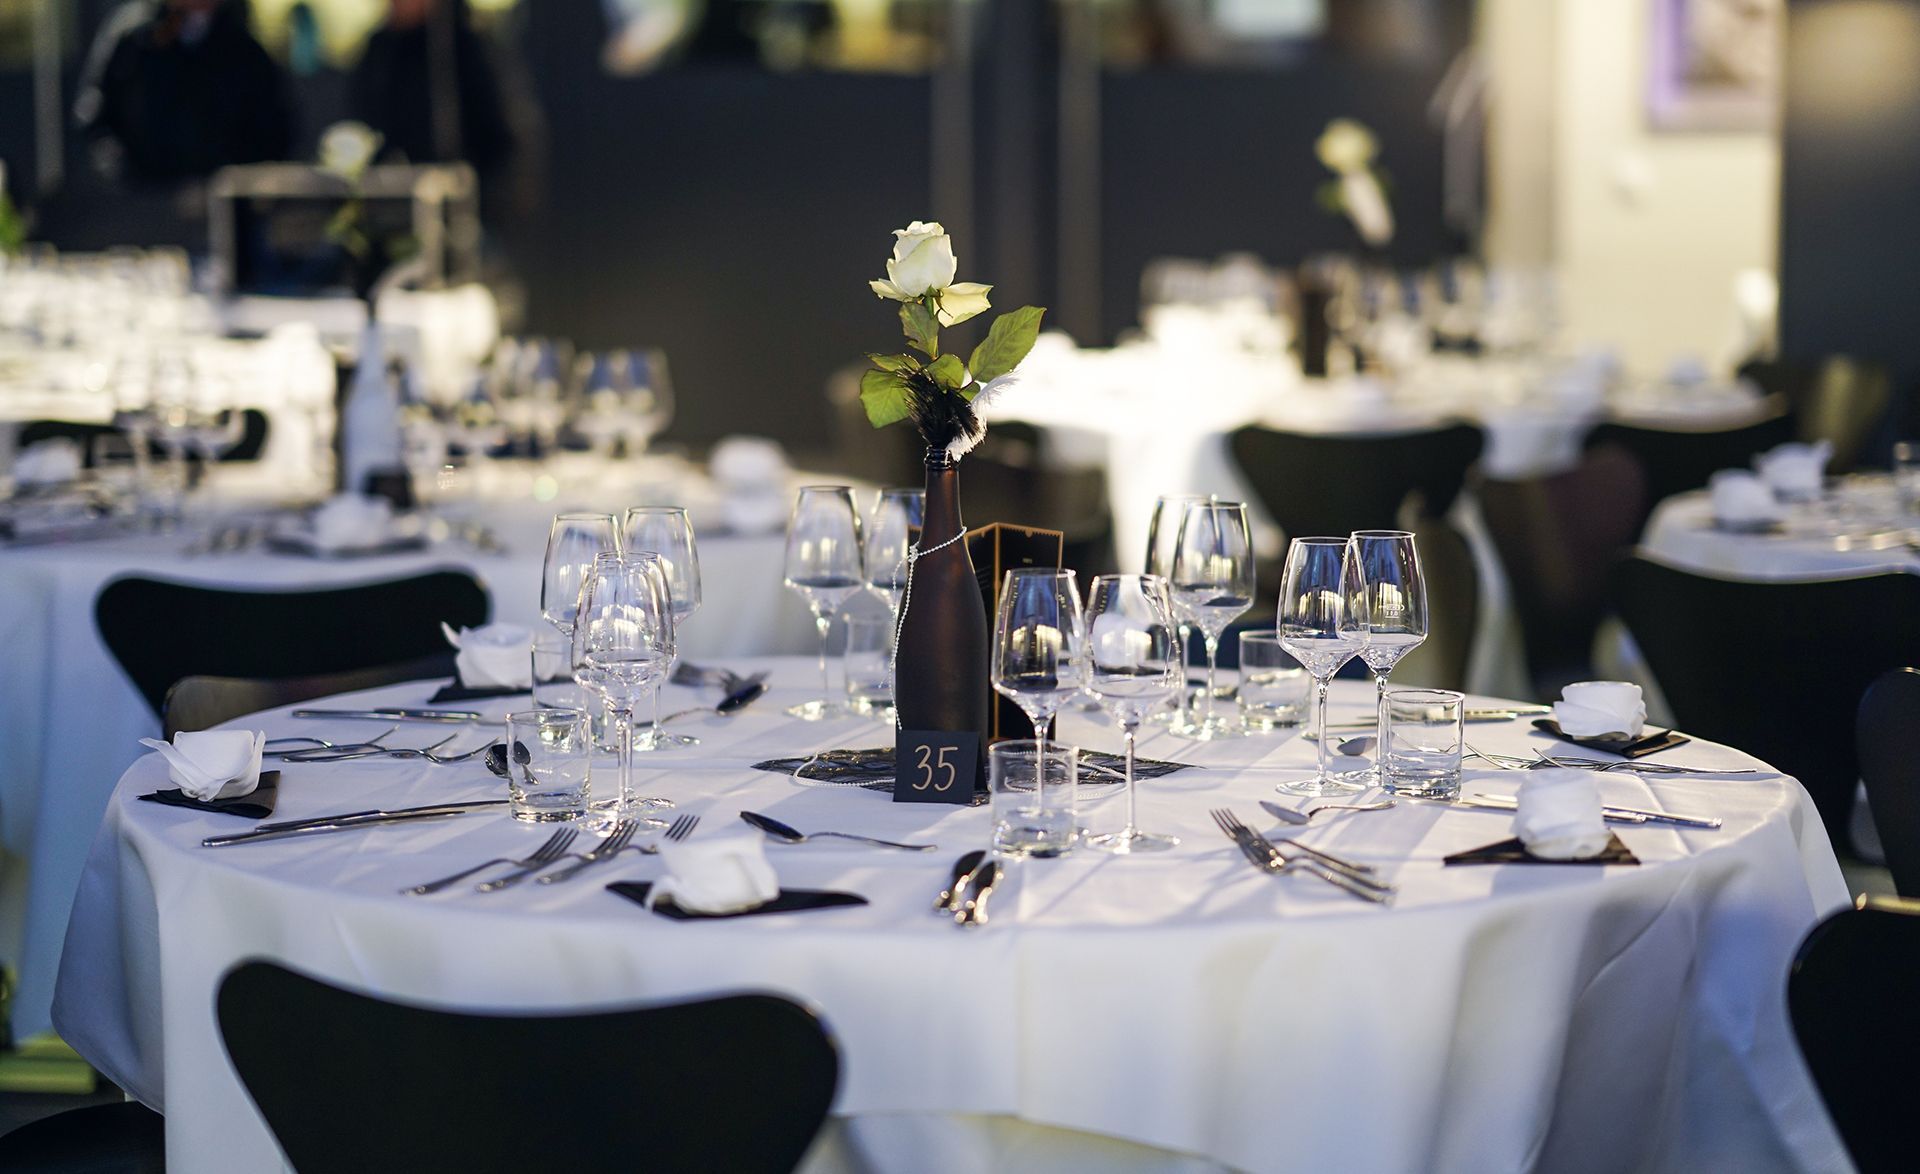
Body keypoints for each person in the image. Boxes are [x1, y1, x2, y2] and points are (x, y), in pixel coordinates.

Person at [75, 0, 293, 187]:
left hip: (220, 198)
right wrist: (121, 167)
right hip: (140, 199)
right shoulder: (134, 35)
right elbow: (94, 111)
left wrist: (242, 178)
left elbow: (274, 125)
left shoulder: (241, 46)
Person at [349, 0, 515, 180]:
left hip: (462, 194)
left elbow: (504, 142)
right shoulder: (379, 49)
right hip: (392, 192)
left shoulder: (466, 44)